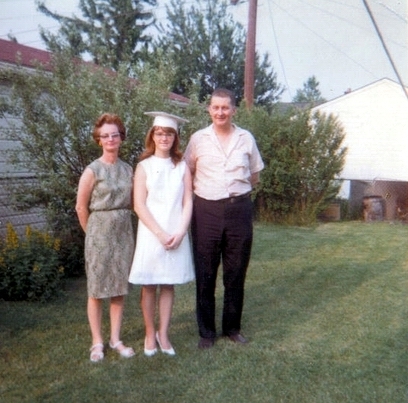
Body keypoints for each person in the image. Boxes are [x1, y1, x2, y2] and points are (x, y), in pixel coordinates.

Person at [184, 88, 264, 349]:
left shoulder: (246, 138)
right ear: (209, 110)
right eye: (215, 107)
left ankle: (232, 327)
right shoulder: (197, 140)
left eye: (225, 108)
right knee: (206, 272)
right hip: (206, 211)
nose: (220, 112)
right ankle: (207, 332)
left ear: (233, 110)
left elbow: (254, 175)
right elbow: (188, 173)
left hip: (239, 210)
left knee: (236, 271)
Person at [128, 111, 195, 357]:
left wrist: (180, 232)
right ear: (152, 136)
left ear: (175, 138)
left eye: (169, 133)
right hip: (151, 232)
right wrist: (159, 233)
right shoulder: (143, 166)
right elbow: (139, 205)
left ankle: (163, 334)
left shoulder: (182, 167)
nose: (164, 137)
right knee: (149, 285)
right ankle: (149, 333)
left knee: (168, 284)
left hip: (176, 231)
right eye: (159, 133)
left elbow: (188, 201)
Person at [75, 113, 136, 362]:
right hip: (99, 233)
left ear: (121, 137)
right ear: (98, 140)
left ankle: (116, 339)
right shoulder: (92, 170)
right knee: (97, 290)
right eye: (105, 136)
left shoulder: (128, 169)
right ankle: (97, 342)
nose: (110, 139)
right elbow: (81, 207)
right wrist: (92, 235)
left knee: (119, 289)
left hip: (123, 233)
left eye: (114, 134)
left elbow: (136, 202)